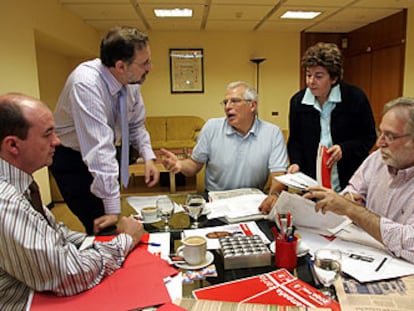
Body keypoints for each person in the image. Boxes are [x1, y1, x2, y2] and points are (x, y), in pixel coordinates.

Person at [0, 93, 144, 310]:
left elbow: (55, 234)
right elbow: (67, 275)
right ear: (12, 145)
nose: (57, 141)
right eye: (48, 134)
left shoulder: (20, 184)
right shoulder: (6, 202)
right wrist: (124, 241)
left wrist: (97, 242)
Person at [50, 26, 159, 235]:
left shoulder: (131, 81)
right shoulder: (86, 84)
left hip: (103, 155)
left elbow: (135, 124)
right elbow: (99, 148)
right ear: (120, 66)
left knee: (113, 222)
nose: (150, 67)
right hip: (73, 159)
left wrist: (148, 158)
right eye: (145, 62)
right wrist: (112, 209)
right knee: (102, 226)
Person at [259, 42, 377, 213]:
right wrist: (296, 163)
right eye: (308, 75)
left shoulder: (355, 97)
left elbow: (368, 137)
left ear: (334, 78)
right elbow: (296, 141)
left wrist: (345, 149)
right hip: (312, 181)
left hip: (346, 177)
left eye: (319, 76)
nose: (311, 82)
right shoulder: (298, 102)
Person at [304, 97, 414, 263]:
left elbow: (410, 241)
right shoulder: (377, 160)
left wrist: (351, 209)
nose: (379, 143)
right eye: (380, 133)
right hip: (370, 254)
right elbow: (355, 191)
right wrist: (345, 199)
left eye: (390, 136)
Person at [161, 81, 288, 193]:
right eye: (225, 102)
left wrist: (273, 196)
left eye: (235, 101)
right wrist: (180, 165)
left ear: (252, 106)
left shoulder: (272, 133)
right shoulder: (211, 127)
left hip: (252, 200)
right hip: (216, 199)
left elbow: (279, 175)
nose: (227, 107)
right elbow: (194, 165)